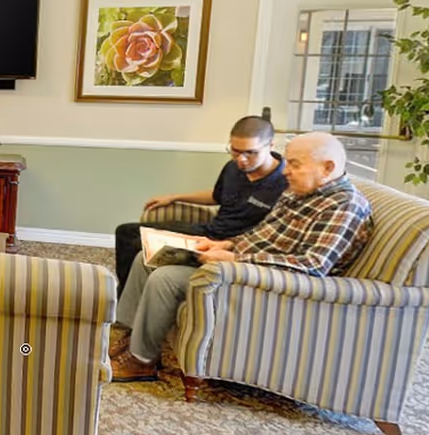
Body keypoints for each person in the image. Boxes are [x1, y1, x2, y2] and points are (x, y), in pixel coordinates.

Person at [110, 131, 373, 383]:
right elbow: (261, 234)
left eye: (294, 164)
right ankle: (133, 338)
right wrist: (225, 244)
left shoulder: (344, 205)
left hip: (266, 284)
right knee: (146, 259)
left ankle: (141, 361)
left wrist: (236, 259)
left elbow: (312, 265)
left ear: (327, 168)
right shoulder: (299, 193)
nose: (286, 171)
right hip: (243, 265)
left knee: (164, 277)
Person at [113, 116, 286, 285]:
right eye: (236, 151)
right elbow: (216, 196)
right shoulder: (233, 168)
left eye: (251, 152)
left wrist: (229, 246)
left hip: (230, 245)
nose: (241, 159)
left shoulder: (286, 182)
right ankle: (122, 297)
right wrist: (175, 197)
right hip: (208, 231)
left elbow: (274, 235)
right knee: (126, 233)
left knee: (139, 246)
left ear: (270, 145)